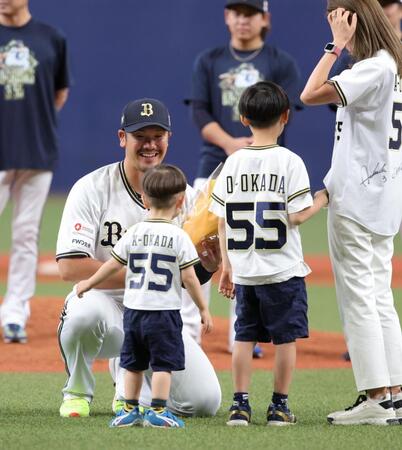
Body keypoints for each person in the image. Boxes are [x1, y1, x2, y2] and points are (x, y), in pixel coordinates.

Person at [56, 98, 222, 419]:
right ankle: (77, 392)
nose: (150, 145)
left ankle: (131, 381)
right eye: (140, 136)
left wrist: (209, 266)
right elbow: (70, 266)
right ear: (122, 138)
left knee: (203, 403)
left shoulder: (184, 197)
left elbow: (190, 275)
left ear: (168, 139)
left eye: (157, 136)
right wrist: (146, 272)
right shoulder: (92, 188)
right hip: (105, 305)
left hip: (158, 316)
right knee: (82, 314)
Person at [301, 0, 402, 425]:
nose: (335, 23)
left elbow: (308, 94)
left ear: (352, 19)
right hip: (382, 196)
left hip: (358, 201)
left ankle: (377, 397)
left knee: (360, 300)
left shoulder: (373, 67)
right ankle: (393, 393)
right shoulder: (392, 68)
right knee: (379, 298)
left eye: (337, 17)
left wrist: (334, 46)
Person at [209, 81, 328, 426]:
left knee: (244, 337)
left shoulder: (232, 163)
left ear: (243, 118)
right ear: (286, 117)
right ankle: (279, 405)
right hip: (283, 271)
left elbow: (221, 222)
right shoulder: (290, 161)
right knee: (285, 339)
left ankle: (240, 405)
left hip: (245, 271)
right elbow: (297, 215)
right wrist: (324, 197)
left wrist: (227, 266)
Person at [189, 0, 303, 356]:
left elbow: (287, 112)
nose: (243, 19)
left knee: (247, 247)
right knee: (199, 247)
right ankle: (190, 330)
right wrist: (229, 143)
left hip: (264, 171)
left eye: (250, 13)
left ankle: (245, 333)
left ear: (264, 19)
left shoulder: (280, 62)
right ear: (227, 17)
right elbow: (199, 110)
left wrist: (251, 148)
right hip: (213, 165)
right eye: (237, 12)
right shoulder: (208, 60)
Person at [75, 164, 213, 428]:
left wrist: (89, 283)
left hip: (134, 312)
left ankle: (129, 408)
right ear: (181, 201)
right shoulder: (179, 236)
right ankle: (158, 410)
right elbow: (190, 278)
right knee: (163, 364)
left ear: (144, 199)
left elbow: (112, 265)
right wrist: (203, 308)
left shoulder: (134, 232)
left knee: (133, 363)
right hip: (164, 313)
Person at [0, 0, 70, 343]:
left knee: (26, 235)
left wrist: (31, 123)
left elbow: (60, 91)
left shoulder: (51, 38)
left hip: (37, 151)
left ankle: (15, 314)